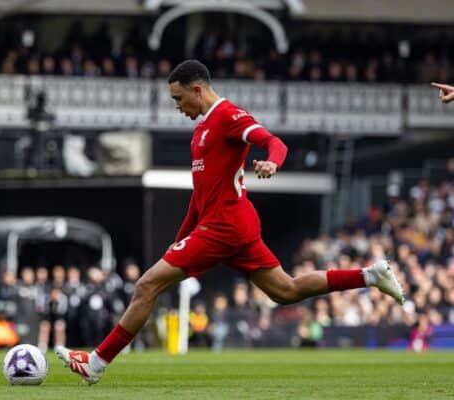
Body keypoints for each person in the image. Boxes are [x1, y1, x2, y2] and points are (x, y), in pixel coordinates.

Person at [55, 59, 405, 384]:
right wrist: (177, 240)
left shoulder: (228, 116)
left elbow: (273, 142)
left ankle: (96, 364)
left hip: (225, 226)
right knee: (287, 290)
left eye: (179, 98)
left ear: (197, 89)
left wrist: (272, 163)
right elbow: (198, 198)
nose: (177, 107)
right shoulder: (200, 131)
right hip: (229, 224)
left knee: (147, 285)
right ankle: (370, 274)